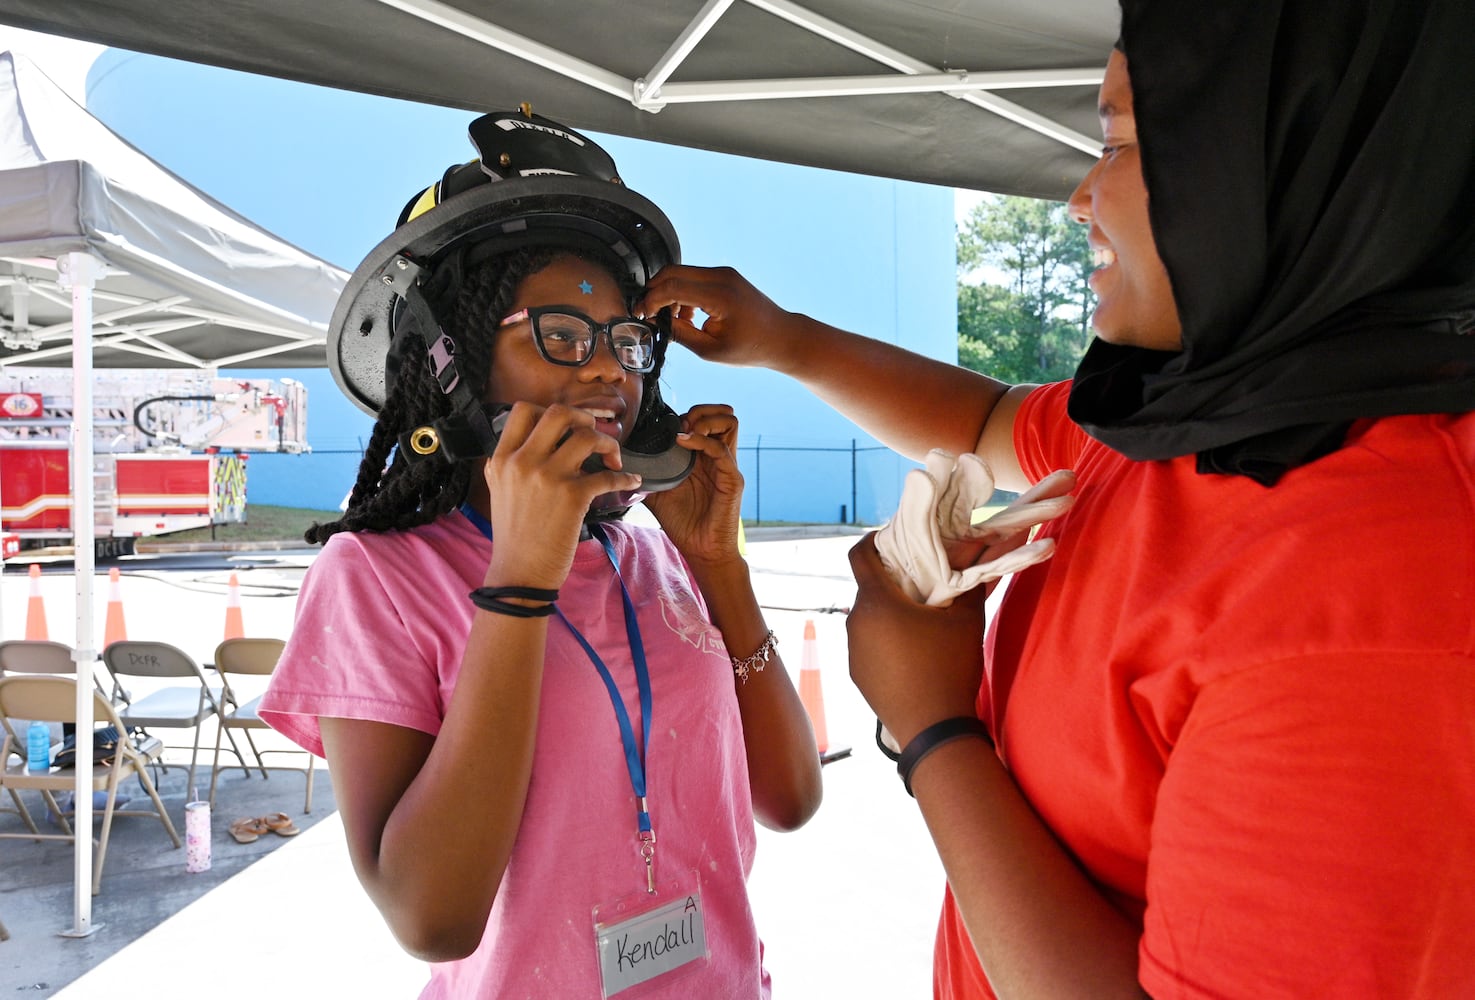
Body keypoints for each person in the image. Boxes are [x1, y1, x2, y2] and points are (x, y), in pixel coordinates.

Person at [638, 0, 1475, 995]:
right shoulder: (1198, 415)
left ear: (1270, 162)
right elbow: (990, 421)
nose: (1080, 196)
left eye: (1121, 138)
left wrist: (931, 726)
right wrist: (789, 342)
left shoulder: (1372, 601)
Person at [258, 109, 821, 999]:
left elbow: (789, 800)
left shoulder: (651, 556)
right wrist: (520, 577)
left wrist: (721, 570)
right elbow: (431, 919)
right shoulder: (374, 577)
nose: (610, 371)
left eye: (627, 343)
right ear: (457, 358)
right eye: (561, 334)